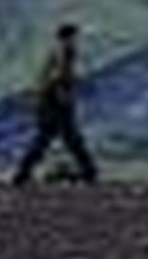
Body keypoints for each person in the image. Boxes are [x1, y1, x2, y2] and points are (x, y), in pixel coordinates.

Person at [12, 22, 99, 185]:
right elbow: (59, 77)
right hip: (56, 103)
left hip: (48, 102)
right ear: (69, 37)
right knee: (68, 139)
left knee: (48, 139)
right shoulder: (65, 51)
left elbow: (50, 77)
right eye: (74, 37)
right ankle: (89, 172)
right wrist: (64, 94)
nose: (76, 40)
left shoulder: (56, 51)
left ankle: (22, 174)